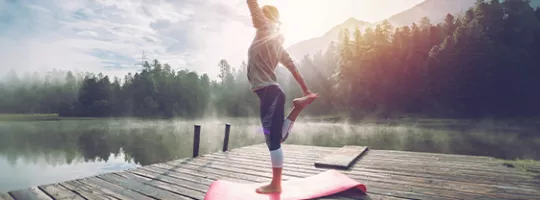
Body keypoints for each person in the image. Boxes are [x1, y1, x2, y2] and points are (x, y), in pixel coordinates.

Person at [245, 0, 318, 194]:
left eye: (261, 14)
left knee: (273, 141)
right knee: (277, 137)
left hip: (270, 93)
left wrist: (307, 90)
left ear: (266, 17)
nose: (257, 17)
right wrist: (306, 90)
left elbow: (252, 5)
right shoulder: (277, 44)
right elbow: (293, 67)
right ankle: (298, 107)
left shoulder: (264, 28)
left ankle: (276, 184)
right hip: (273, 94)